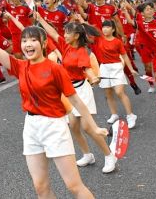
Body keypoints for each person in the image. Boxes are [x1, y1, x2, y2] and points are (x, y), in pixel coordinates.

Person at [0, 5, 106, 198]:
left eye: (34, 40)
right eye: (25, 40)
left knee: (74, 186)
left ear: (43, 44)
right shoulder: (19, 66)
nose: (28, 44)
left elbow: (75, 100)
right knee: (40, 187)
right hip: (31, 126)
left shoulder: (55, 69)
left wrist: (94, 126)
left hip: (54, 127)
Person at [36, 13, 117, 173]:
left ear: (76, 35)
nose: (64, 35)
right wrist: (39, 18)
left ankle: (109, 156)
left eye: (67, 33)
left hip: (82, 91)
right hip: (69, 91)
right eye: (65, 32)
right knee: (73, 126)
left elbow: (86, 69)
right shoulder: (65, 46)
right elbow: (52, 32)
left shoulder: (82, 51)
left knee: (88, 127)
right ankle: (88, 154)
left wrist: (93, 77)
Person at [91, 19, 138, 128]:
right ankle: (114, 114)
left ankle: (131, 116)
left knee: (119, 92)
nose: (105, 29)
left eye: (107, 27)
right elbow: (90, 29)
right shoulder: (99, 38)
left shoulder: (117, 41)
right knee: (108, 93)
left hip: (116, 67)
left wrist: (131, 69)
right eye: (103, 27)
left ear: (113, 29)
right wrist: (80, 20)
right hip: (104, 67)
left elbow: (125, 55)